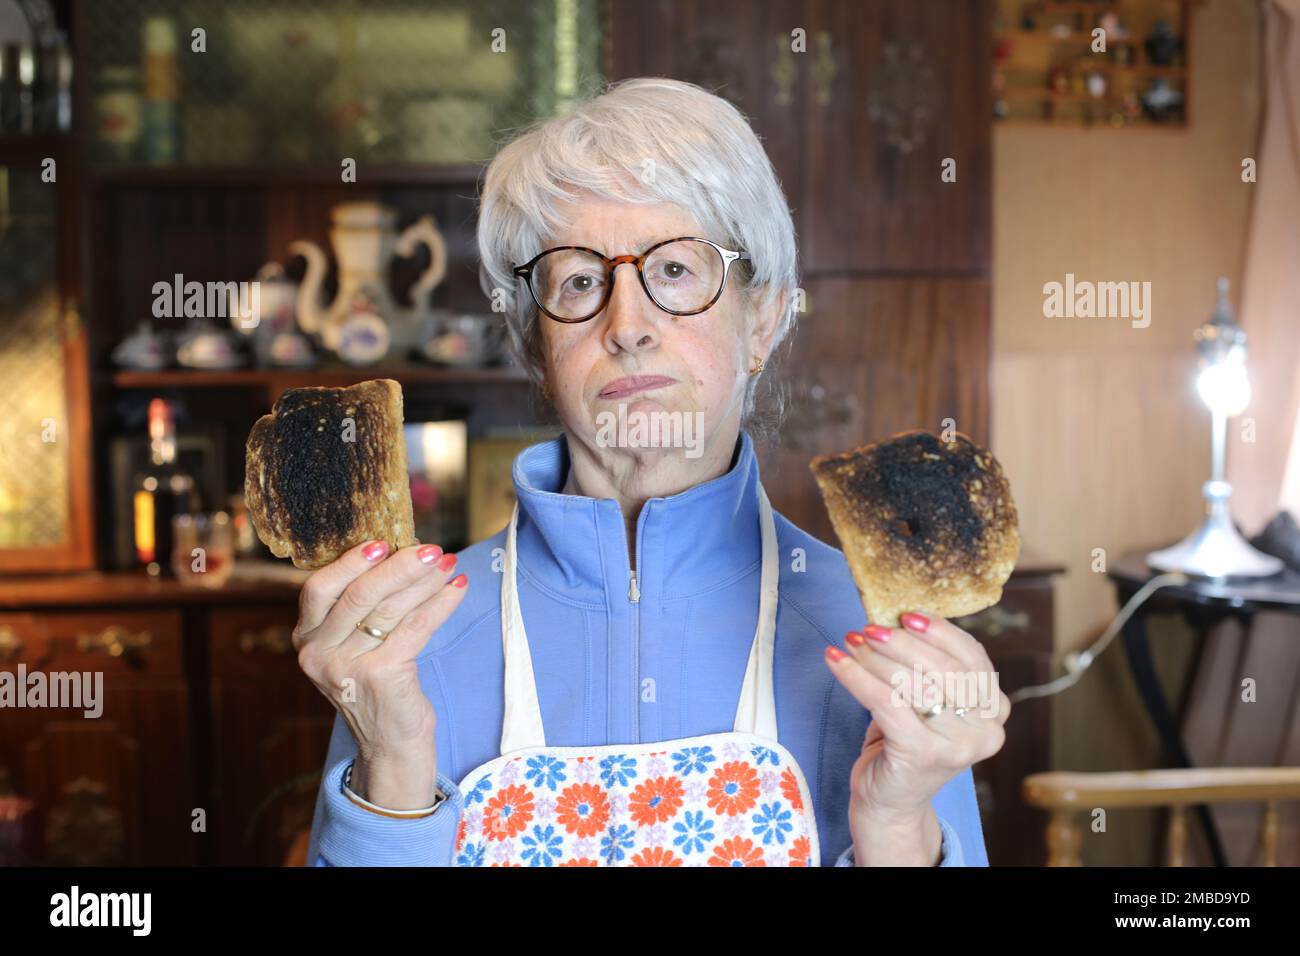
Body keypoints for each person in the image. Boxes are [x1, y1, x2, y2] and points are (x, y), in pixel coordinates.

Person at [301, 77, 1008, 867]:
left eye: (675, 270)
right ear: (537, 345)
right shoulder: (404, 639)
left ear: (763, 319)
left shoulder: (873, 640)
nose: (628, 326)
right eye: (578, 280)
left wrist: (899, 825)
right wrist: (394, 762)